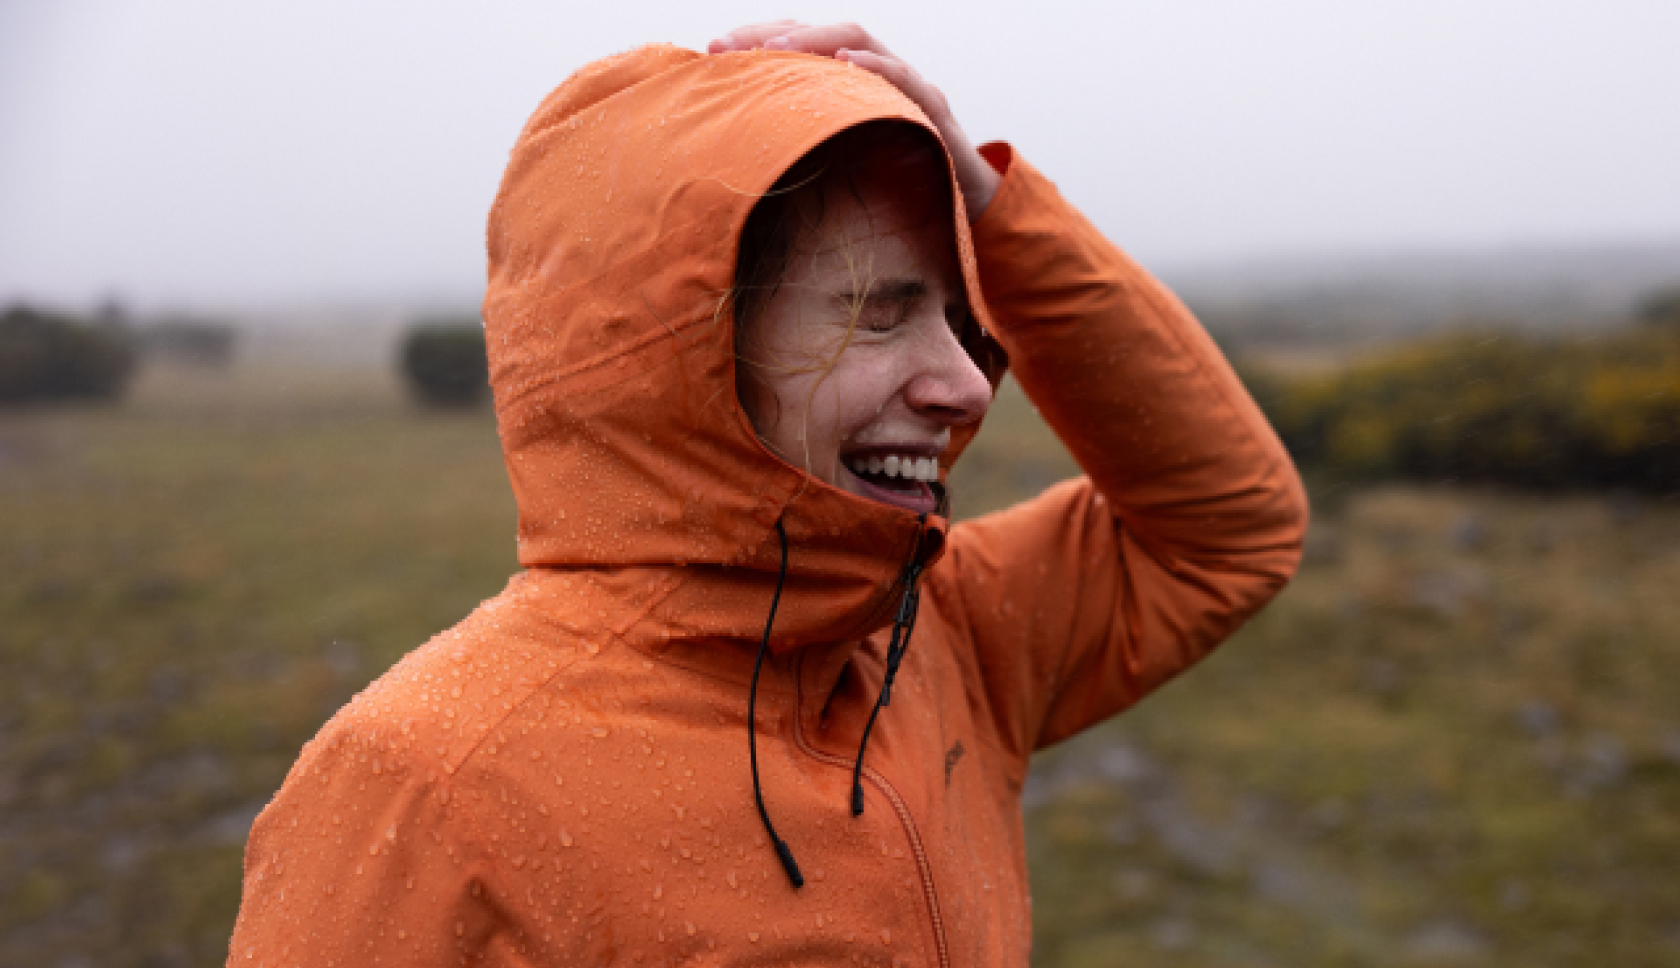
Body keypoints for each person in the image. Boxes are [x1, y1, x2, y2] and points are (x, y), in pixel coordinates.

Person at [228, 22, 1307, 967]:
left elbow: (1225, 531)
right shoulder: (426, 785)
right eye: (877, 315)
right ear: (678, 359)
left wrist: (999, 210)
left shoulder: (938, 635)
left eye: (955, 312)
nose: (970, 382)